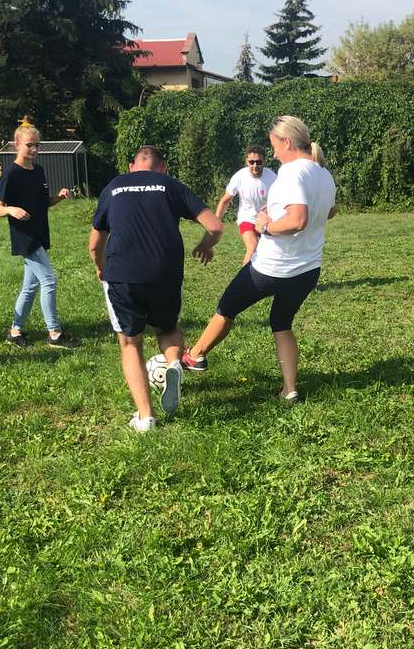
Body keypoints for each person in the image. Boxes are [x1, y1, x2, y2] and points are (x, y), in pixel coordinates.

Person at [182, 116, 336, 404]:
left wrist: (266, 226)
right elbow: (328, 212)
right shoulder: (323, 173)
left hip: (272, 268)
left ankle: (194, 355)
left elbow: (298, 219)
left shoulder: (291, 172)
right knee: (281, 322)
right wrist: (275, 211)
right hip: (307, 269)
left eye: (274, 146)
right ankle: (289, 390)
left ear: (286, 142)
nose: (274, 154)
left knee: (227, 307)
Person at [88, 144, 222, 431]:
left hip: (123, 273)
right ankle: (173, 364)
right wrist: (205, 245)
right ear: (163, 168)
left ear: (131, 167)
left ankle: (145, 416)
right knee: (168, 329)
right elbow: (215, 226)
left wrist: (100, 267)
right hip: (165, 273)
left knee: (130, 342)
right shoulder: (170, 184)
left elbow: (95, 244)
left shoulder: (114, 186)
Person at [0, 120, 80, 348]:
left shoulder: (39, 171)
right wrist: (11, 209)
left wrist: (59, 196)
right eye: (29, 145)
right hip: (25, 236)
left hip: (40, 233)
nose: (34, 149)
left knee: (30, 286)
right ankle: (54, 333)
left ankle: (15, 331)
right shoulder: (11, 174)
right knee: (49, 280)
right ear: (17, 145)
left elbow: (43, 203)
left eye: (37, 145)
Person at [215, 146, 277, 265]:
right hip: (247, 219)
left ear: (264, 162)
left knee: (270, 254)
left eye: (259, 162)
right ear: (246, 162)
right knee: (252, 247)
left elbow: (282, 199)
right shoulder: (240, 176)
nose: (255, 165)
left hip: (266, 220)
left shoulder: (272, 177)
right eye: (251, 162)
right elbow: (225, 200)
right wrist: (215, 222)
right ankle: (245, 276)